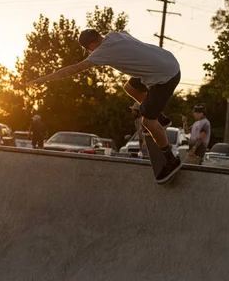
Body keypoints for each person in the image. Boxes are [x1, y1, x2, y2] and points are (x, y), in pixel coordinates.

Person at [28, 29, 182, 184]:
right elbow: (125, 33)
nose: (90, 52)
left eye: (89, 49)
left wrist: (43, 79)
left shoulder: (102, 51)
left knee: (147, 122)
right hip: (167, 60)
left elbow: (73, 69)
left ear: (92, 44)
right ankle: (160, 118)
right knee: (129, 87)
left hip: (165, 76)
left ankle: (170, 158)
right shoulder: (115, 35)